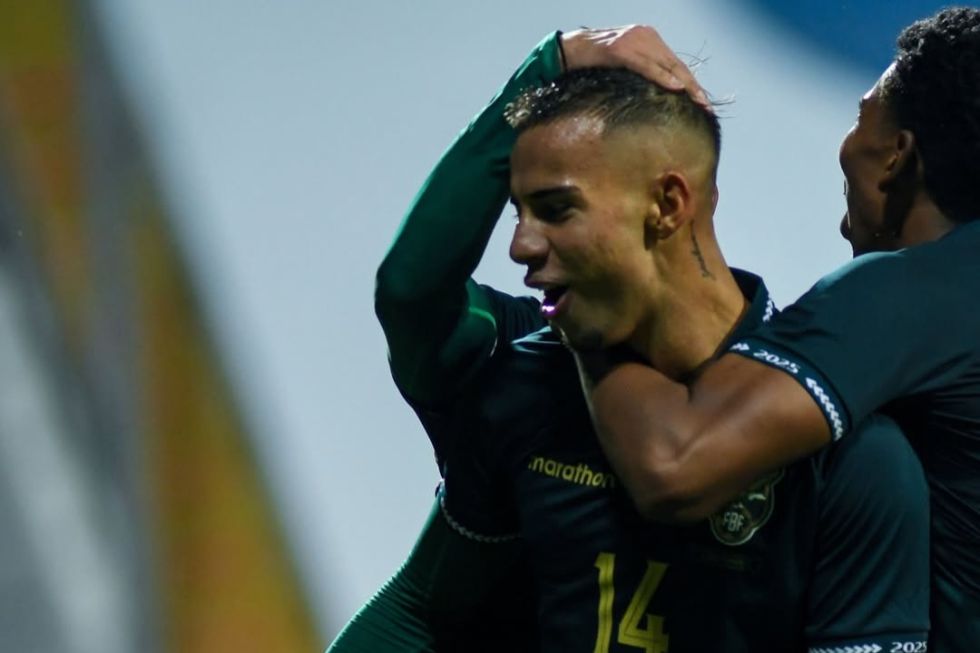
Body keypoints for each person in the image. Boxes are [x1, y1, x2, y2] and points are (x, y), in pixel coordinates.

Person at [329, 29, 931, 652]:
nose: (520, 248)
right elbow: (423, 613)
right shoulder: (524, 377)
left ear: (667, 204)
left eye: (556, 210)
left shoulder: (851, 458)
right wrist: (545, 66)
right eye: (518, 212)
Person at [570, 8, 980, 652]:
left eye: (861, 115)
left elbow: (675, 465)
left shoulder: (912, 292)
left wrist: (597, 298)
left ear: (898, 156)